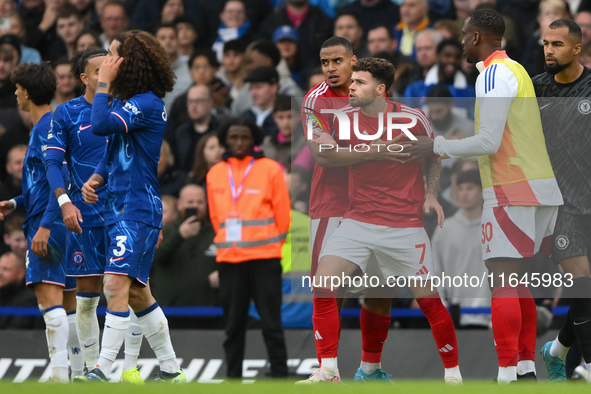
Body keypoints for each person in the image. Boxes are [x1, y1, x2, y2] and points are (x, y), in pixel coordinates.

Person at [402, 9, 564, 383]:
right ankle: (524, 370)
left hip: (511, 187)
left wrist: (436, 145)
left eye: (463, 35)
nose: (461, 42)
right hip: (539, 186)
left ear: (476, 37)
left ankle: (506, 374)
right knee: (517, 279)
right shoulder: (518, 70)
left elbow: (489, 141)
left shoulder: (492, 75)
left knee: (502, 279)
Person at [300, 37, 461, 384]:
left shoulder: (407, 115)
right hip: (334, 204)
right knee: (328, 286)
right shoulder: (318, 103)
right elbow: (322, 154)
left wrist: (430, 194)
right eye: (324, 62)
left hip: (390, 215)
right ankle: (328, 368)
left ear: (354, 61)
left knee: (379, 290)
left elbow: (432, 155)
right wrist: (378, 151)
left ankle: (370, 369)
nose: (331, 69)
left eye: (338, 62)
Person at [80, 30, 185, 383]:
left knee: (113, 284)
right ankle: (171, 371)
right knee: (139, 294)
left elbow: (98, 126)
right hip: (119, 207)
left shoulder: (147, 103)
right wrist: (97, 177)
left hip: (137, 208)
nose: (107, 63)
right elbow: (113, 150)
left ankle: (102, 369)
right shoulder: (130, 103)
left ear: (130, 63)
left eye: (112, 56)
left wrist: (103, 85)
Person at [45, 47, 145, 383]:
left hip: (126, 214)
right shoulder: (67, 114)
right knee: (87, 301)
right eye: (102, 68)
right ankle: (90, 371)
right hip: (83, 217)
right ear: (85, 78)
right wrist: (64, 203)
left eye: (112, 66)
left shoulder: (128, 109)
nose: (110, 72)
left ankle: (130, 368)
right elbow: (53, 164)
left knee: (130, 291)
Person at [0, 62, 79, 382]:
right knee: (71, 303)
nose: (16, 95)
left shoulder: (46, 128)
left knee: (50, 300)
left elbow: (59, 182)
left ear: (27, 93)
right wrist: (16, 202)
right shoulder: (54, 125)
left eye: (18, 90)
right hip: (65, 222)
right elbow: (46, 183)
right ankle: (77, 371)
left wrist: (45, 225)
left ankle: (60, 374)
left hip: (50, 223)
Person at [206, 117, 289, 379]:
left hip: (265, 259)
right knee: (233, 326)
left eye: (245, 137)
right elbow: (215, 218)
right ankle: (233, 379)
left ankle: (279, 377)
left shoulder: (270, 169)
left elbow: (283, 216)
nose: (239, 142)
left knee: (271, 324)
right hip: (230, 260)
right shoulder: (215, 173)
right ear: (225, 141)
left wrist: (275, 245)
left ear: (254, 140)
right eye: (234, 137)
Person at [533, 18, 591, 383]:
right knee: (581, 283)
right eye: (545, 43)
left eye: (556, 44)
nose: (548, 51)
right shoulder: (535, 90)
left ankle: (556, 350)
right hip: (560, 205)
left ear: (576, 48)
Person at [152, 184, 220, 328]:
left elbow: (231, 261)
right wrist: (179, 236)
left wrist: (223, 272)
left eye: (200, 202)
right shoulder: (165, 231)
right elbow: (155, 258)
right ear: (180, 204)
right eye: (190, 202)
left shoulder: (217, 233)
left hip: (209, 314)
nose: (195, 206)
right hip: (169, 313)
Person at [432, 169, 490, 329]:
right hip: (453, 316)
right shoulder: (445, 228)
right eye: (460, 188)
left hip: (489, 317)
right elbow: (435, 271)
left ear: (482, 191)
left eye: (470, 188)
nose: (464, 193)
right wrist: (441, 308)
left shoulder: (495, 229)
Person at [0, 251, 40, 329]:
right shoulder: (2, 294)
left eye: (6, 269)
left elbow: (15, 333)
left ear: (21, 273)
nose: (0, 273)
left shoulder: (29, 299)